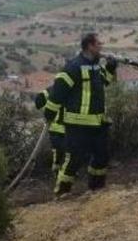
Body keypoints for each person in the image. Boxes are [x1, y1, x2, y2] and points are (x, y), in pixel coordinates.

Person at [44, 33, 118, 196]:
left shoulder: (95, 66)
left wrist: (111, 67)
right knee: (74, 159)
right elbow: (58, 93)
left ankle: (96, 190)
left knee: (102, 156)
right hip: (77, 125)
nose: (101, 47)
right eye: (99, 44)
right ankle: (62, 193)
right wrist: (49, 113)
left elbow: (103, 82)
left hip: (98, 123)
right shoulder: (73, 67)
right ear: (90, 46)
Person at [34, 85, 66, 175]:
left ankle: (64, 172)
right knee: (59, 152)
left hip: (67, 129)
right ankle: (57, 171)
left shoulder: (74, 90)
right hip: (57, 128)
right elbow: (38, 101)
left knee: (66, 152)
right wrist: (48, 112)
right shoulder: (53, 89)